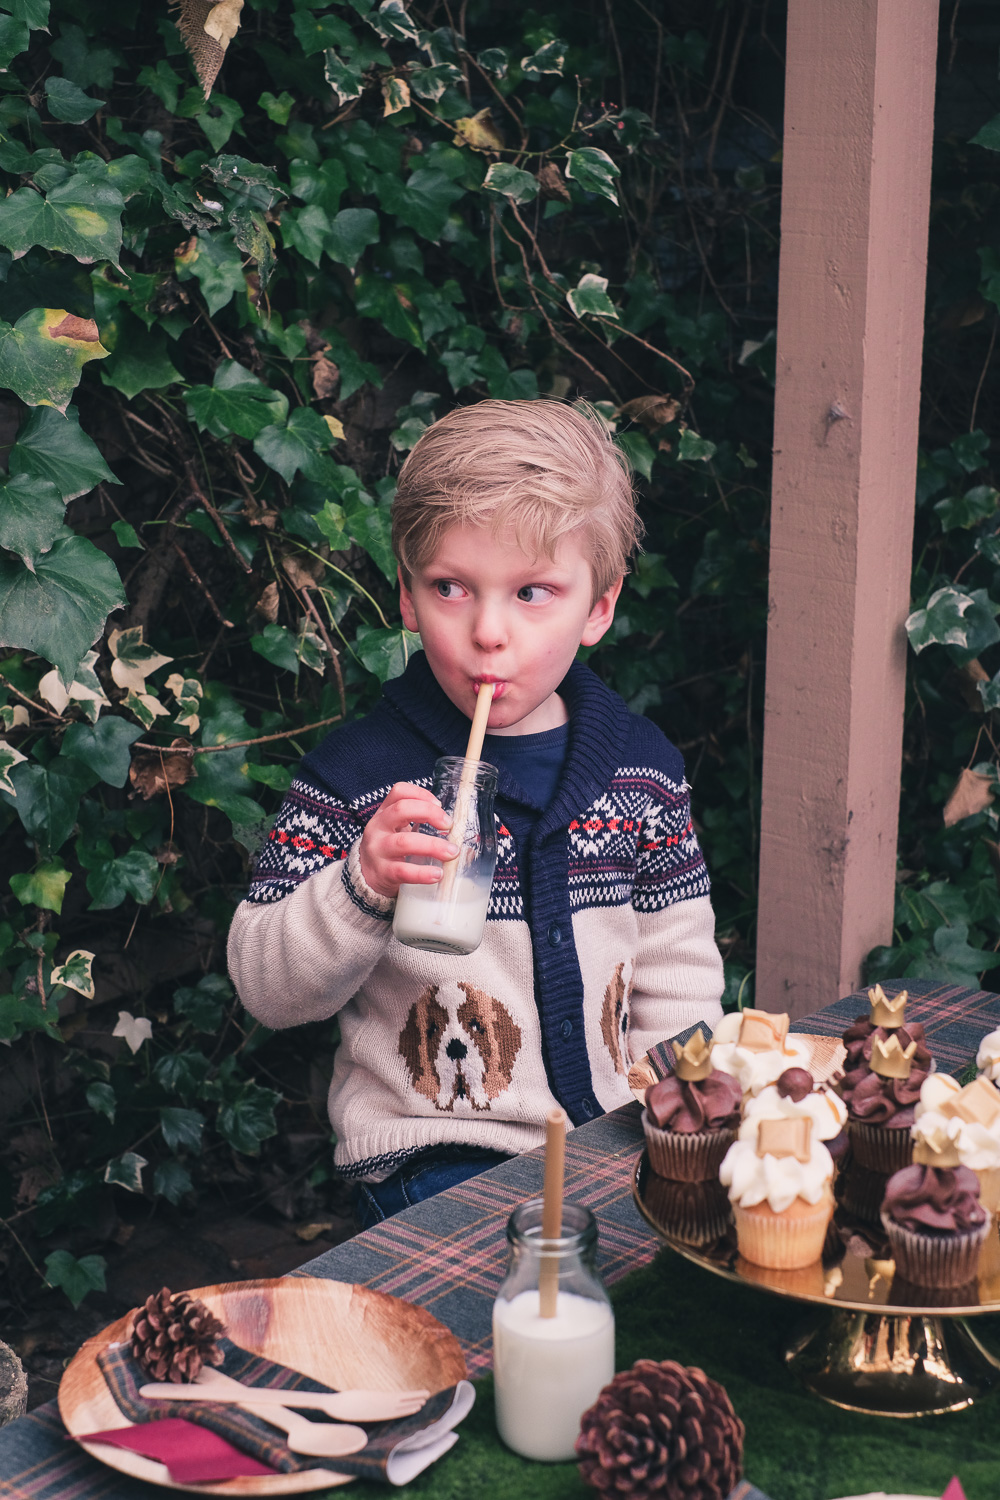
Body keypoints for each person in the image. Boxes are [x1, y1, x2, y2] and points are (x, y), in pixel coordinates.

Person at [228, 399, 724, 1227]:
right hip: (431, 1160)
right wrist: (361, 885)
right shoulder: (358, 779)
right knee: (516, 1305)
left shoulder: (641, 773)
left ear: (598, 607)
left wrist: (683, 1117)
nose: (488, 632)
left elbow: (678, 973)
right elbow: (265, 986)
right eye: (451, 588)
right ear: (408, 595)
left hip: (613, 1143)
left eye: (533, 593)